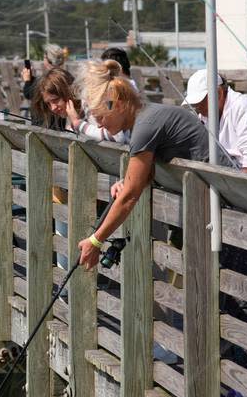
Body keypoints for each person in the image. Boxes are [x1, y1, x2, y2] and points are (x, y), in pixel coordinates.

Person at [75, 60, 209, 269]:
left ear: (118, 104)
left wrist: (95, 240)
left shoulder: (145, 126)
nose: (99, 124)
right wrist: (128, 182)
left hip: (221, 202)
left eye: (101, 116)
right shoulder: (144, 118)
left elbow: (129, 197)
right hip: (207, 199)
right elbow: (139, 179)